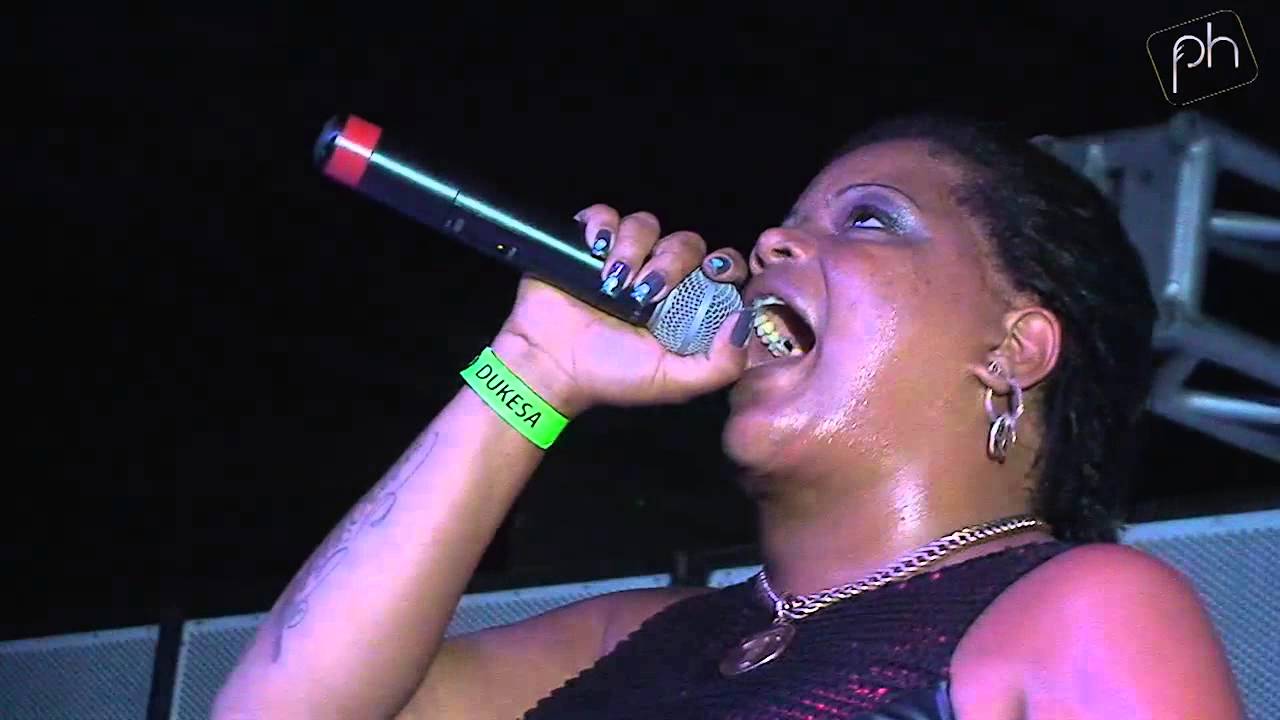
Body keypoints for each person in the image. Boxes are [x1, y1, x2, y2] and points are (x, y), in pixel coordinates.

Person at [212, 114, 1244, 719]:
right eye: (785, 224)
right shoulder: (628, 639)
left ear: (1014, 349)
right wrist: (534, 369)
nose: (770, 246)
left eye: (868, 220)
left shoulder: (1085, 611)